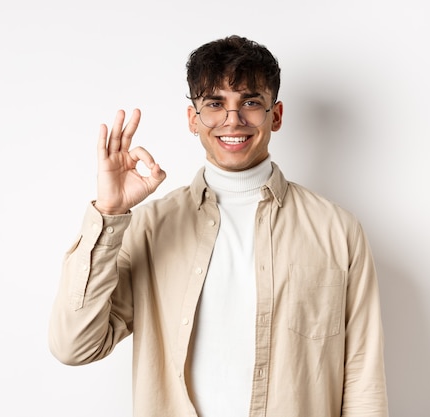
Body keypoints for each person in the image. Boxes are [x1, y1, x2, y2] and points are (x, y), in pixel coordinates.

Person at [49, 35, 388, 417]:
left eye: (251, 102)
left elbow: (362, 378)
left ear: (275, 115)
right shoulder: (150, 228)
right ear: (194, 119)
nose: (233, 120)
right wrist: (108, 213)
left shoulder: (336, 230)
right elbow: (74, 346)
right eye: (215, 104)